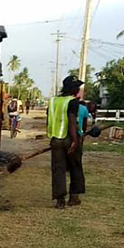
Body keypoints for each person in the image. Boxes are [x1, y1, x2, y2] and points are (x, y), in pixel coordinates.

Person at [47, 76, 84, 209]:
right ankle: (73, 197)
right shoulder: (72, 102)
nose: (79, 89)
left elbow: (50, 118)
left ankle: (60, 200)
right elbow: (72, 121)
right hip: (68, 138)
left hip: (55, 139)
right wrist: (75, 141)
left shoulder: (52, 101)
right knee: (75, 166)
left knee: (58, 169)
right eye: (77, 87)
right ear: (71, 88)